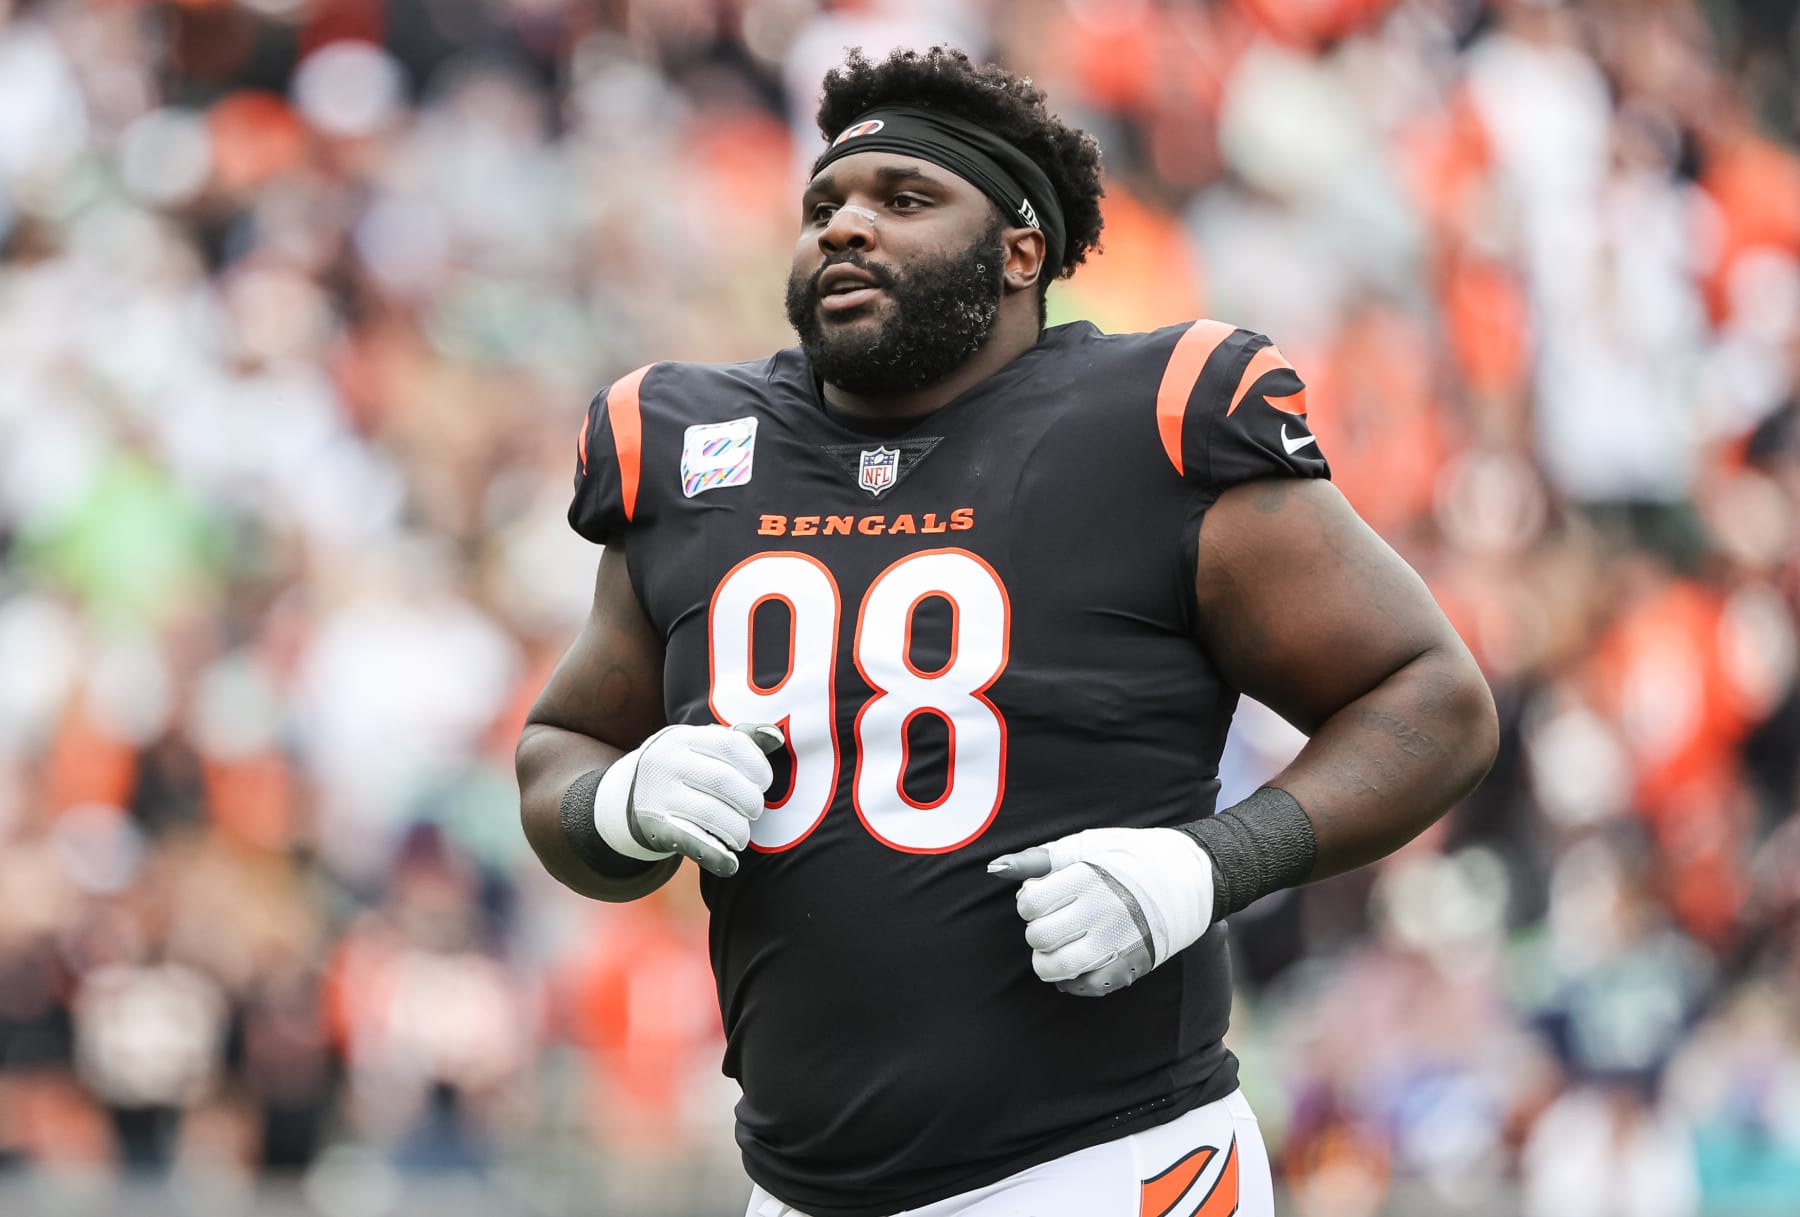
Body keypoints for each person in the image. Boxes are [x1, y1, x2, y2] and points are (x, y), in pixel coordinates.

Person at [516, 45, 1499, 1217]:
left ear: (1021, 250)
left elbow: (1434, 699)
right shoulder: (684, 447)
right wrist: (613, 803)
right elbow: (559, 746)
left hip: (1108, 1163)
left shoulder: (1153, 422)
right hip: (795, 1188)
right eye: (823, 204)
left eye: (904, 198)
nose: (844, 227)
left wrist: (1212, 861)